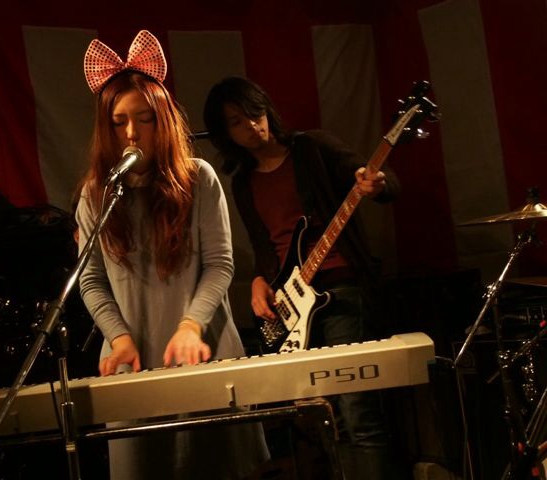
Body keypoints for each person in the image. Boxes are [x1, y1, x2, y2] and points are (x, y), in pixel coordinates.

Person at [76, 33, 269, 479]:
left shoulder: (198, 178)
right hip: (132, 359)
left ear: (162, 121)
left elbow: (220, 264)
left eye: (144, 119)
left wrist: (190, 325)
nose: (131, 132)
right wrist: (117, 336)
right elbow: (91, 279)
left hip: (203, 347)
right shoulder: (95, 194)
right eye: (119, 122)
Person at [203, 76, 403, 479]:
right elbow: (265, 248)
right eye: (237, 122)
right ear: (226, 134)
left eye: (254, 113)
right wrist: (259, 281)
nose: (252, 125)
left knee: (358, 411)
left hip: (342, 288)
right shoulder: (242, 183)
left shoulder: (312, 147)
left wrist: (376, 182)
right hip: (295, 305)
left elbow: (379, 180)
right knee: (330, 417)